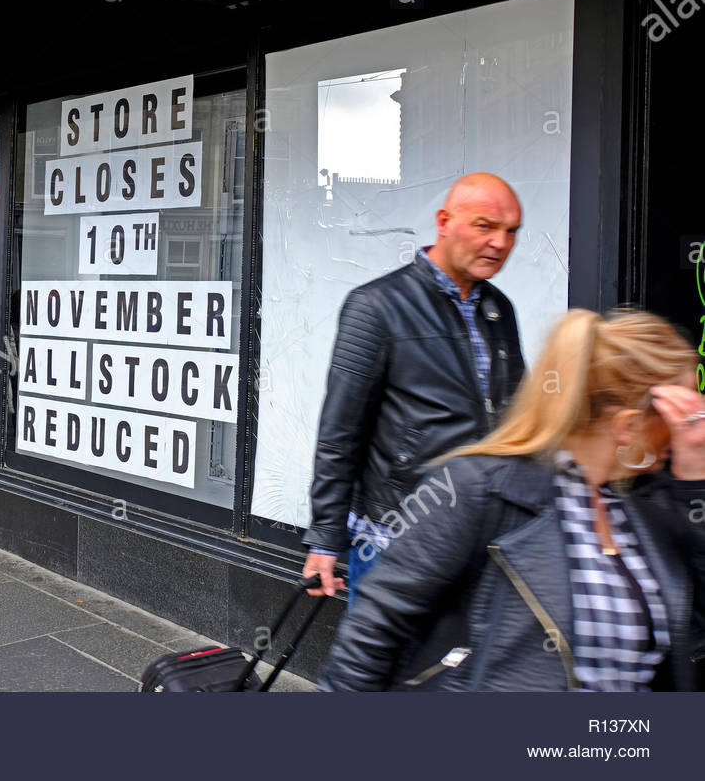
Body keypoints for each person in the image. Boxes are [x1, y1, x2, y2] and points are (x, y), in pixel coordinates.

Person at [320, 309, 705, 691]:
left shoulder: (641, 507)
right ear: (629, 426)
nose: (685, 431)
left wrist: (694, 480)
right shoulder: (481, 488)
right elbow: (374, 630)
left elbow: (692, 621)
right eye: (684, 417)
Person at [302, 173, 526, 601]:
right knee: (380, 664)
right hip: (397, 537)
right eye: (485, 226)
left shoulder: (500, 310)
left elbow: (516, 417)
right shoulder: (377, 306)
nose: (500, 243)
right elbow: (340, 431)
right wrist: (326, 539)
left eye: (511, 231)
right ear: (444, 222)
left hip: (481, 535)